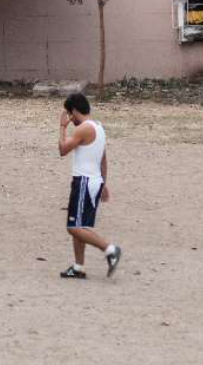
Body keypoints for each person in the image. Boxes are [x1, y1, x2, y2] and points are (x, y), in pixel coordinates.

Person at [57, 91, 121, 280]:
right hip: (93, 181)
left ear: (74, 111)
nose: (69, 119)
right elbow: (103, 159)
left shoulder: (83, 128)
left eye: (69, 115)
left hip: (84, 182)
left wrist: (62, 127)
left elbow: (62, 149)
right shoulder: (99, 127)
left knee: (73, 227)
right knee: (81, 225)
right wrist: (103, 182)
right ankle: (79, 267)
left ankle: (110, 250)